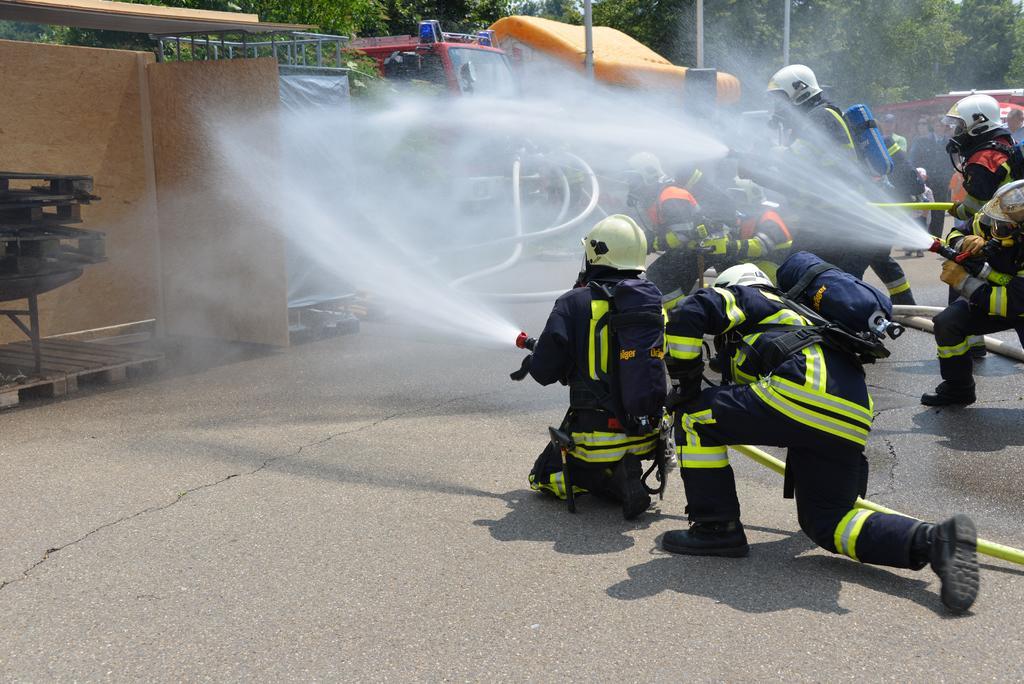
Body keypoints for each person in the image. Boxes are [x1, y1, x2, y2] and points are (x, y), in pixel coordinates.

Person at [661, 263, 980, 613]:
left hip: (801, 392)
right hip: (852, 415)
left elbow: (690, 311)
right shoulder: (807, 318)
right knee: (827, 521)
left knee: (693, 416)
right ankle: (935, 540)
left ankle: (715, 528)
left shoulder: (750, 297)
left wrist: (683, 383)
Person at [513, 214, 661, 519]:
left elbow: (545, 372)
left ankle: (614, 479)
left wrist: (535, 358)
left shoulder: (574, 302)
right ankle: (624, 469)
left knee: (544, 478)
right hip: (648, 432)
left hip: (596, 437)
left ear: (597, 253)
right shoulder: (651, 302)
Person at [923, 180, 1024, 406]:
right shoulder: (994, 216)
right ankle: (959, 389)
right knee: (947, 323)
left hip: (1015, 302)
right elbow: (956, 231)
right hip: (993, 293)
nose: (993, 232)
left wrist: (963, 281)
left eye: (1002, 228)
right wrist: (964, 242)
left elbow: (1012, 303)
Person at [624, 152, 707, 297]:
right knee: (661, 273)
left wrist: (653, 243)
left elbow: (682, 235)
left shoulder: (671, 195)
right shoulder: (658, 196)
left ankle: (678, 312)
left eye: (634, 178)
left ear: (649, 174)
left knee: (659, 275)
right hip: (690, 250)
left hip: (701, 249)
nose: (630, 183)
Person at [944, 93, 1016, 222]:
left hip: (999, 227)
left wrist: (959, 211)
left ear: (980, 123)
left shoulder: (983, 159)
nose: (957, 131)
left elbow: (977, 208)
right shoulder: (1005, 142)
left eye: (962, 125)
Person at [910, 116, 954, 239]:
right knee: (922, 210)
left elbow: (954, 160)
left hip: (943, 181)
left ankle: (936, 238)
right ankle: (922, 236)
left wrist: (950, 175)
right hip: (926, 181)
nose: (939, 127)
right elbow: (914, 159)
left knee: (939, 210)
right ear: (933, 126)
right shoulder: (921, 140)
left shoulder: (950, 142)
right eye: (937, 124)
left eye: (942, 125)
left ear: (945, 127)